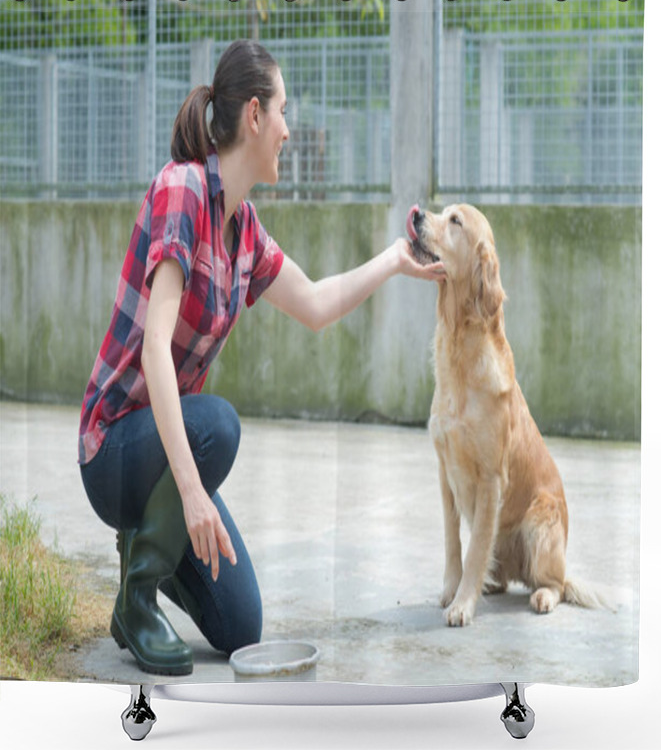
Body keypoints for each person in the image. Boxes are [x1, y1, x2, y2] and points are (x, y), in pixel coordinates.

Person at [78, 39, 445, 676]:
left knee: (239, 626)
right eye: (282, 111)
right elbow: (155, 353)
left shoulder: (242, 226)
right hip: (113, 450)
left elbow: (317, 304)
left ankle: (138, 561)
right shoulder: (183, 190)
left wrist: (393, 260)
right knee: (219, 423)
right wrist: (194, 495)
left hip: (169, 450)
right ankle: (139, 595)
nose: (288, 129)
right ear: (254, 115)